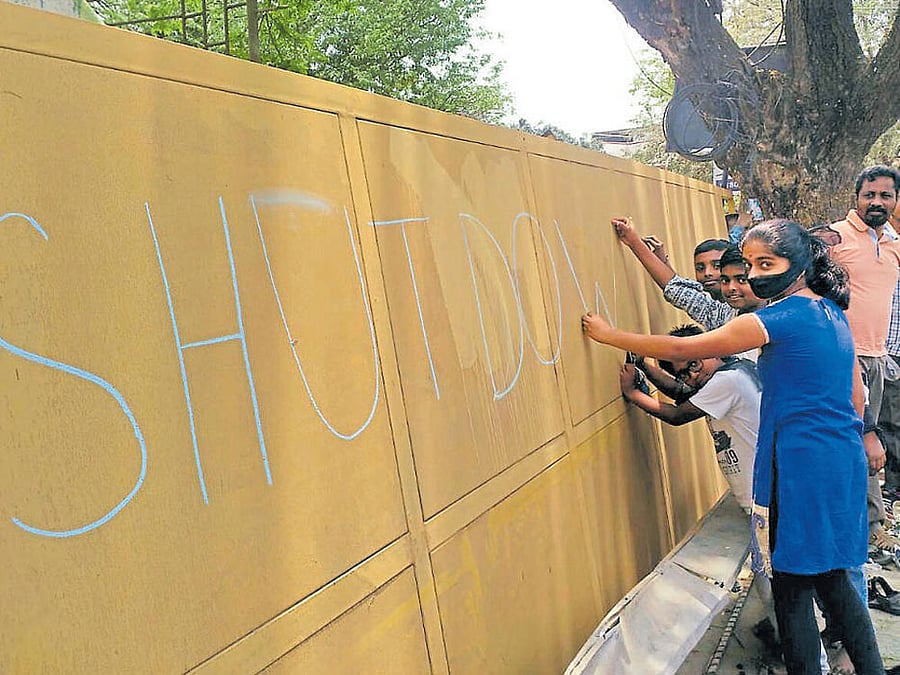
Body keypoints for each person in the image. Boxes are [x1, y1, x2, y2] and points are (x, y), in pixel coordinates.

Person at [583, 219, 885, 675]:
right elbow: (855, 393)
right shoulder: (830, 312)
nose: (756, 274)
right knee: (833, 579)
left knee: (793, 588)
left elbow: (690, 347)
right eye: (750, 264)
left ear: (799, 264)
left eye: (767, 263)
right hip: (835, 461)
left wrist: (609, 336)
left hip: (802, 464)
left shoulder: (781, 318)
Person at [815, 165, 900, 554]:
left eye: (885, 195)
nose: (877, 202)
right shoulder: (836, 237)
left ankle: (865, 523)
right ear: (857, 197)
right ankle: (869, 527)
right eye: (870, 195)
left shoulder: (894, 243)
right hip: (843, 359)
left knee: (870, 444)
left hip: (877, 358)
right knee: (857, 442)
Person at [612, 217, 730, 316]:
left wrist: (633, 241)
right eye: (700, 268)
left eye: (717, 266)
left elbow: (675, 288)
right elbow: (679, 287)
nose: (707, 273)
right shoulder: (715, 308)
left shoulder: (724, 313)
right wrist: (662, 260)